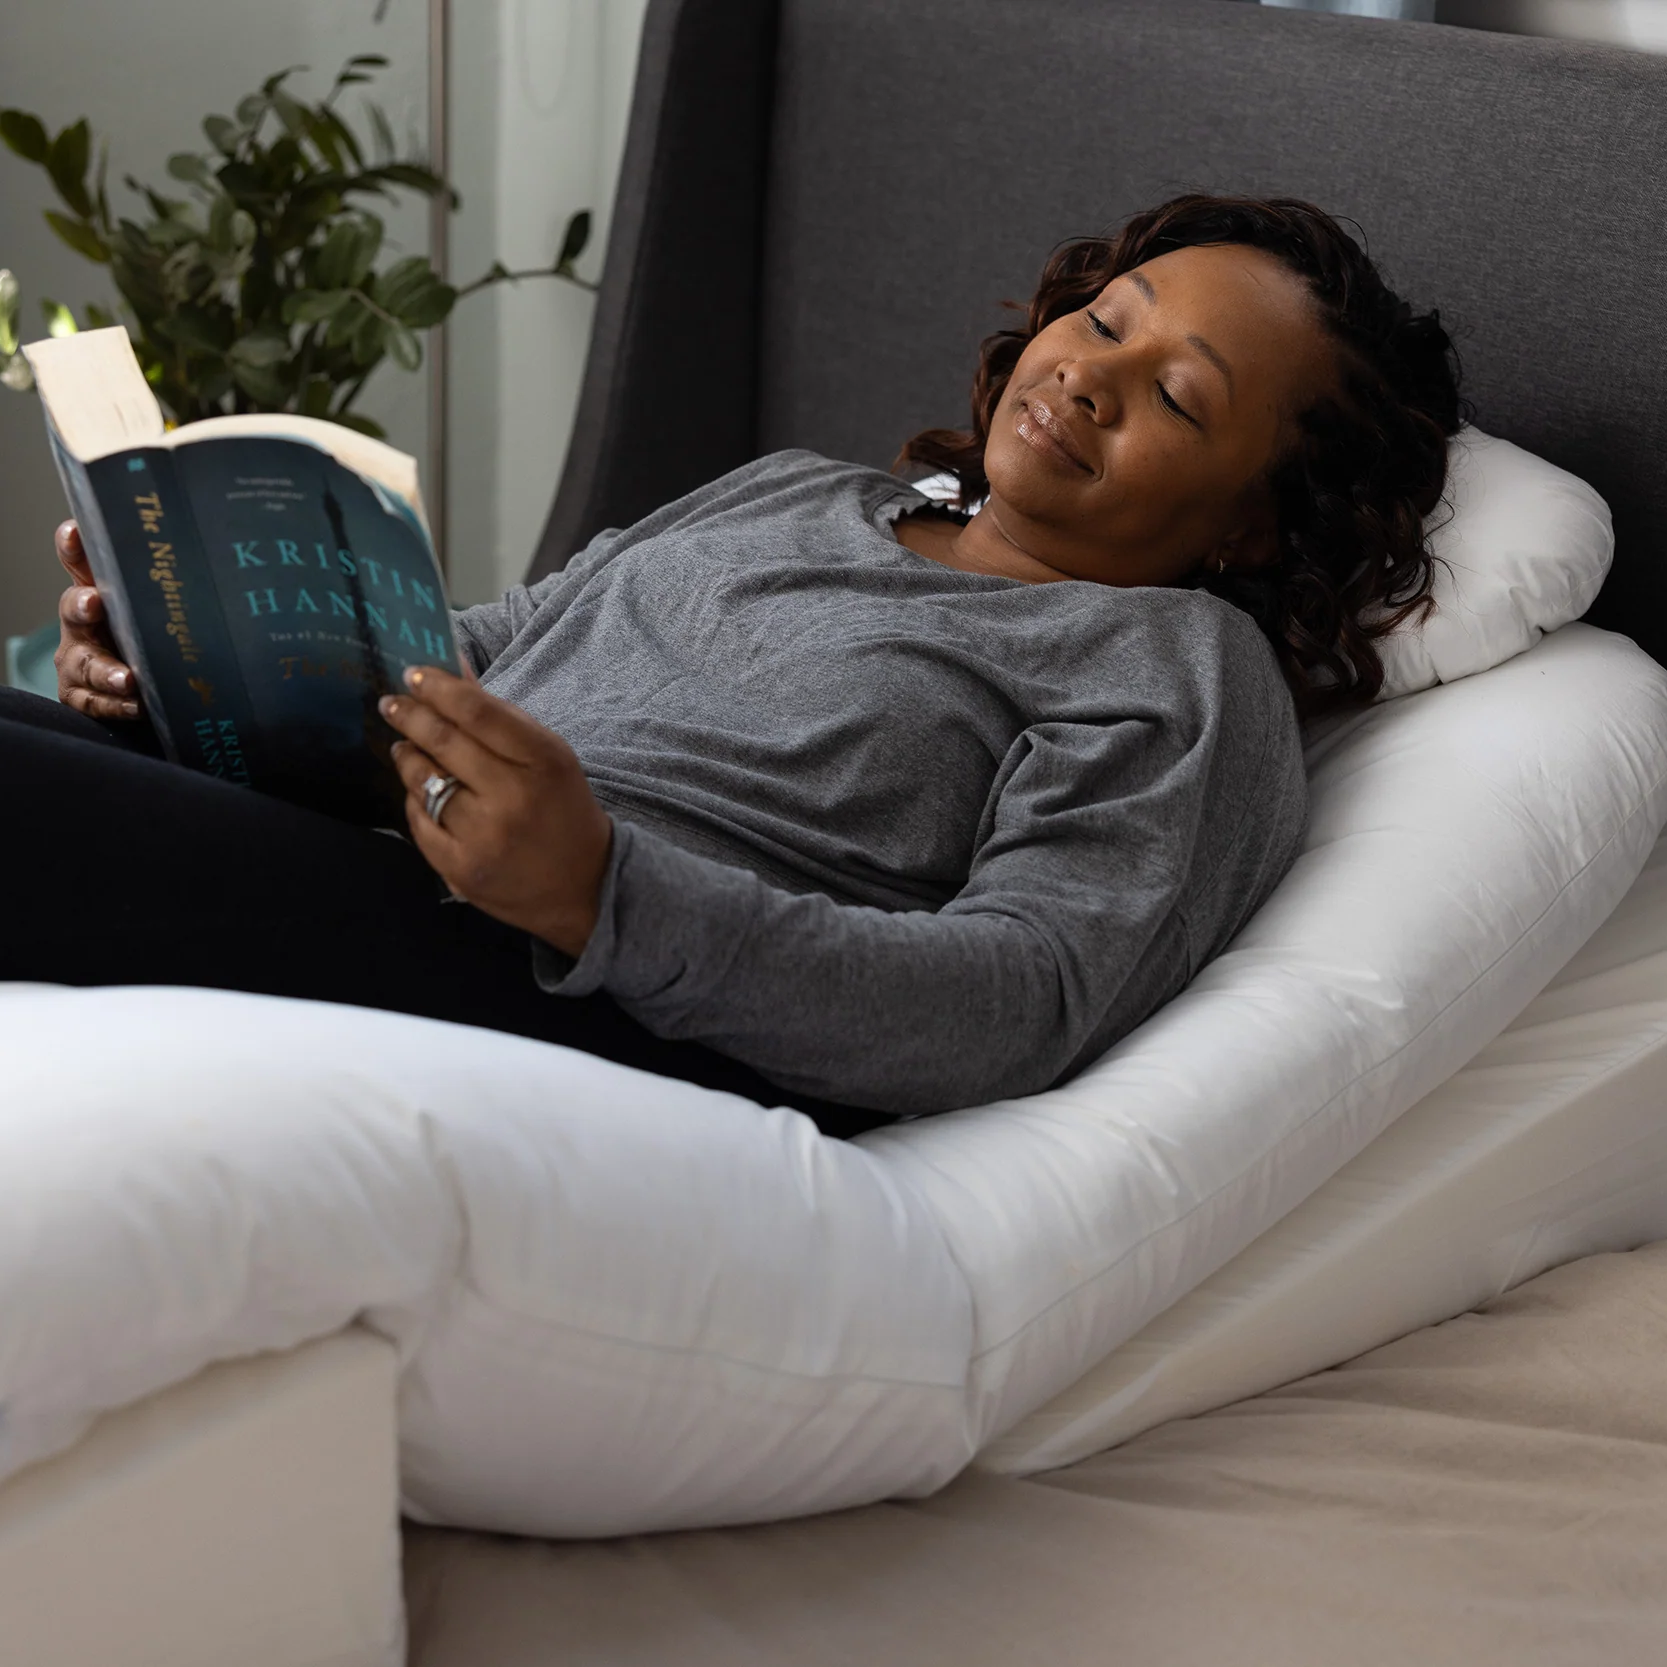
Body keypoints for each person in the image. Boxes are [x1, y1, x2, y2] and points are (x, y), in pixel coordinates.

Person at [0, 193, 1464, 1136]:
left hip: (588, 1001)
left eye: (1177, 397)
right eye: (1103, 322)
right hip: (401, 859)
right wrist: (190, 669)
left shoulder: (1177, 669)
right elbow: (489, 652)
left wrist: (598, 891)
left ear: (1256, 523)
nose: (1090, 375)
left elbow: (1020, 998)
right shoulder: (800, 492)